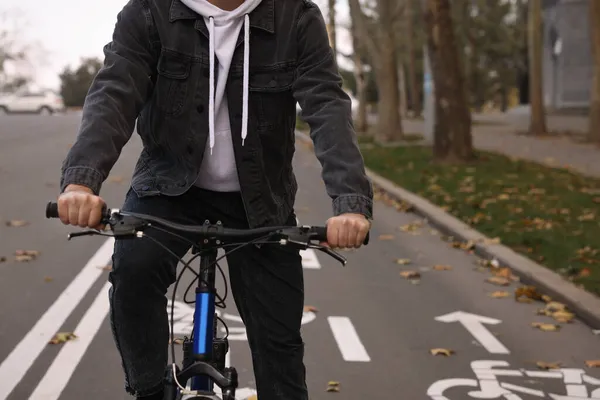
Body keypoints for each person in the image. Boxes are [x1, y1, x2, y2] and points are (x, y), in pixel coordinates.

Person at [55, 0, 373, 398]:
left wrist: (351, 204)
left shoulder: (296, 16)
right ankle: (152, 390)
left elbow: (326, 106)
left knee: (280, 345)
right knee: (134, 273)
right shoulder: (151, 10)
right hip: (168, 187)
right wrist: (81, 184)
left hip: (260, 201)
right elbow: (115, 92)